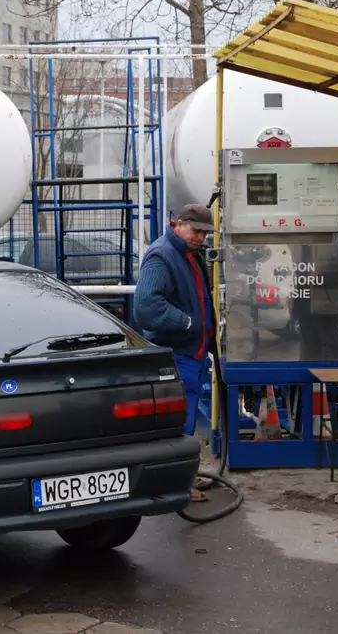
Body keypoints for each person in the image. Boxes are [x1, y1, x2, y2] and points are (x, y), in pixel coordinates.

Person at [134, 203, 216, 503]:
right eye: (196, 231)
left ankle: (183, 477)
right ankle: (174, 484)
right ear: (178, 224)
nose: (201, 238)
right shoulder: (162, 256)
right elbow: (146, 308)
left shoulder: (188, 254)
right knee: (180, 423)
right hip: (177, 354)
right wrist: (188, 322)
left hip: (191, 354)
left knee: (187, 420)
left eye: (206, 233)